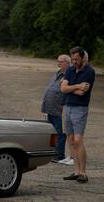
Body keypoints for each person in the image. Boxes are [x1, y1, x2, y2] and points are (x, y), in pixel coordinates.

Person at [61, 46, 95, 183]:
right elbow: (63, 89)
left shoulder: (89, 71)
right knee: (70, 140)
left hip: (80, 109)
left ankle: (83, 173)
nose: (74, 61)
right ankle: (76, 171)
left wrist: (70, 88)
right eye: (73, 59)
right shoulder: (69, 70)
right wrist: (76, 86)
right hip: (67, 107)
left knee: (78, 140)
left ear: (82, 58)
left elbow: (82, 92)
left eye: (76, 59)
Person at [41, 54, 71, 163]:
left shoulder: (69, 75)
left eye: (61, 61)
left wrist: (64, 105)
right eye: (58, 61)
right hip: (50, 107)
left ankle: (59, 155)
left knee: (59, 132)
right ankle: (53, 152)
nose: (58, 63)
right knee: (51, 131)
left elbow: (67, 91)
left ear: (67, 63)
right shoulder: (58, 73)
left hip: (58, 108)